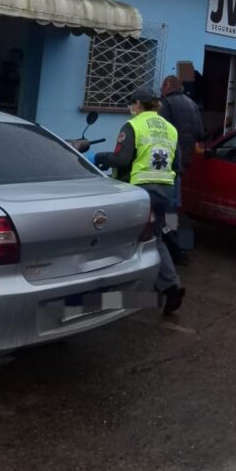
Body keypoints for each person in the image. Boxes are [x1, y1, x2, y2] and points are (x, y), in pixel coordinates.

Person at [94, 87, 185, 315]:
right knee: (156, 238)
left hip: (140, 192)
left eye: (130, 103)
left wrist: (100, 157)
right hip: (166, 191)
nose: (129, 108)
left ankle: (112, 291)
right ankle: (170, 285)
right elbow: (177, 166)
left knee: (121, 238)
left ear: (138, 104)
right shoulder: (171, 129)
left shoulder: (133, 125)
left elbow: (122, 159)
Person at [159, 75, 205, 266]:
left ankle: (173, 249)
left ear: (168, 86)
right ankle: (182, 246)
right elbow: (200, 133)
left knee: (167, 207)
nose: (161, 90)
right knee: (176, 206)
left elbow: (160, 133)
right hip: (183, 163)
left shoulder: (166, 104)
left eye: (162, 86)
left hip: (166, 163)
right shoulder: (192, 105)